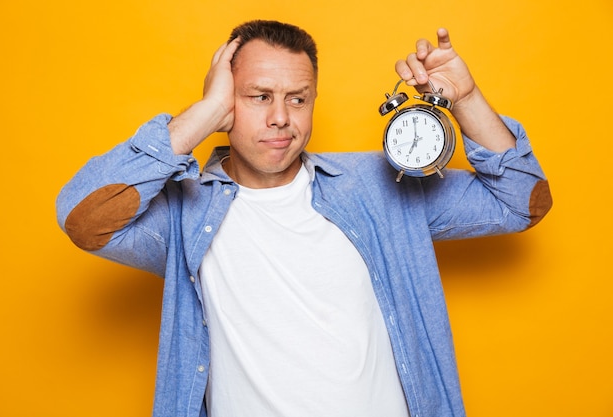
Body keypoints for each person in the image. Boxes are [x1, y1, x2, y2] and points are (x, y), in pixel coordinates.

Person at [56, 20, 552, 417]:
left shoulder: (378, 187)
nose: (280, 117)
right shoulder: (187, 213)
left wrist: (465, 100)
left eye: (297, 98)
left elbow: (521, 202)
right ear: (228, 100)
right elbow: (84, 218)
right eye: (259, 96)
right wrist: (204, 113)